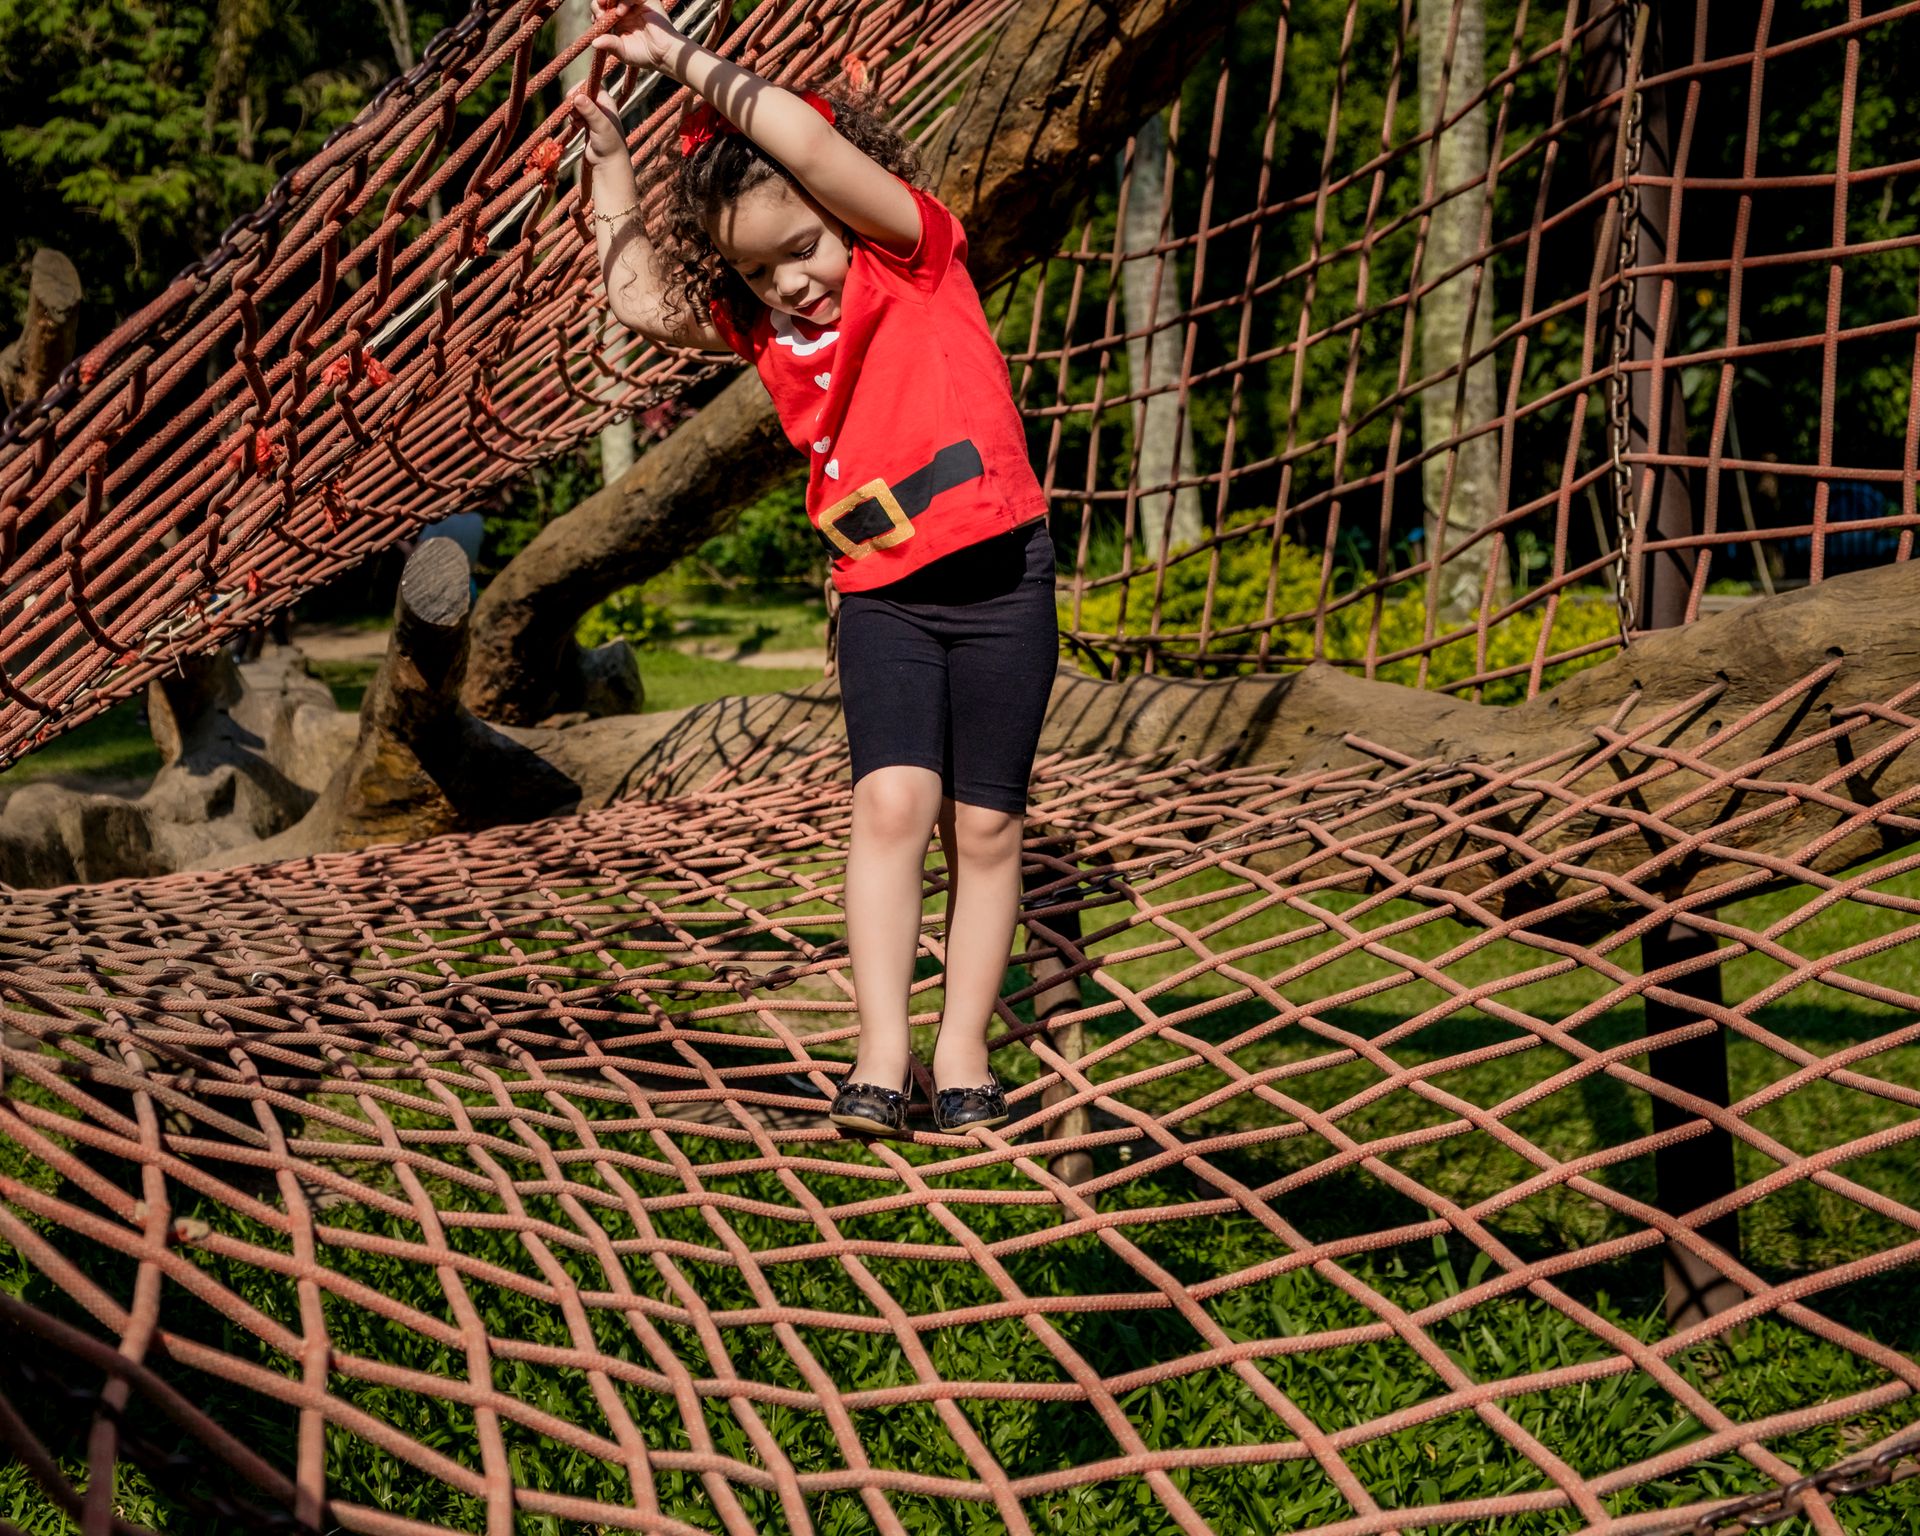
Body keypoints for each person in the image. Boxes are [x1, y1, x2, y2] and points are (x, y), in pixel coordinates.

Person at [570, 1, 1058, 1137]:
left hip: (1003, 581)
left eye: (802, 249)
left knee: (986, 827)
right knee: (893, 803)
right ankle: (882, 1054)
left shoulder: (911, 255)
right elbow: (638, 300)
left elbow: (808, 144)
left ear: (842, 216)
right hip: (883, 595)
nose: (789, 282)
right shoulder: (768, 332)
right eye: (758, 269)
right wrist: (609, 166)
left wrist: (677, 57)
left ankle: (964, 1048)